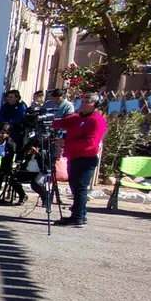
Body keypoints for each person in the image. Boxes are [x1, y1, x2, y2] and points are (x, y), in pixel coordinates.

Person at [51, 92, 107, 227]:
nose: (82, 104)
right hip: (74, 157)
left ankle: (77, 217)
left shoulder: (96, 120)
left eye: (87, 102)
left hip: (86, 158)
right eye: (83, 101)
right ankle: (81, 214)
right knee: (75, 186)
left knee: (80, 188)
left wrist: (65, 142)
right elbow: (62, 123)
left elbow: (90, 143)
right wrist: (46, 121)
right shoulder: (77, 118)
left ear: (95, 105)